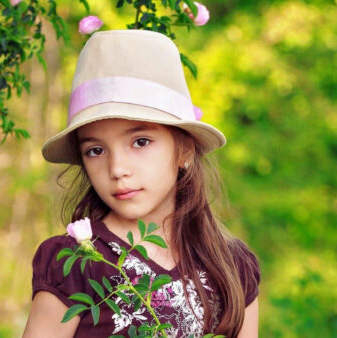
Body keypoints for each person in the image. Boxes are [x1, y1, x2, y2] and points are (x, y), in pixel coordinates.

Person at [22, 30, 260, 337]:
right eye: (96, 150)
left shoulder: (231, 266)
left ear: (185, 150)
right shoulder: (76, 262)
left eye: (141, 141)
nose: (117, 168)